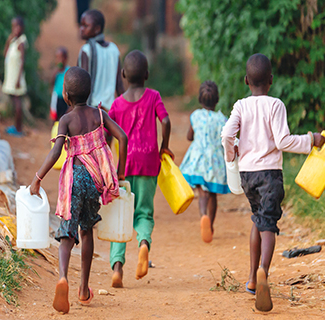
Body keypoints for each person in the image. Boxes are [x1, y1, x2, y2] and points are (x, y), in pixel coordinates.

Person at [221, 53, 325, 312]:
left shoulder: (240, 106)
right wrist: (311, 139)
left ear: (246, 80)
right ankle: (263, 273)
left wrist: (231, 154)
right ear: (271, 80)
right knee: (268, 224)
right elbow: (283, 141)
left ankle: (251, 279)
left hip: (247, 176)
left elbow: (226, 134)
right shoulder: (276, 105)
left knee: (258, 219)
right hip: (270, 175)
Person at [30, 67, 127, 314]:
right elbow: (123, 138)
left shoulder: (66, 119)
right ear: (90, 91)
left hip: (74, 181)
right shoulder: (99, 115)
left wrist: (37, 178)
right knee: (86, 232)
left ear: (66, 96)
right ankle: (83, 288)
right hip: (95, 181)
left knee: (66, 232)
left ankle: (63, 277)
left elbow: (56, 152)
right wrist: (121, 172)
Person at [108, 50, 173, 288]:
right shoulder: (154, 96)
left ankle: (117, 267)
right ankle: (144, 244)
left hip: (124, 167)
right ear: (146, 74)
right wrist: (164, 147)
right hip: (148, 163)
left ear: (123, 75)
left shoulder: (116, 105)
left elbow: (108, 136)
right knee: (143, 213)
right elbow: (165, 121)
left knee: (120, 218)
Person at [180, 81, 229, 244]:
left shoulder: (196, 116)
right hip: (215, 162)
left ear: (200, 99)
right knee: (212, 194)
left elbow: (189, 136)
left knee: (202, 193)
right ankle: (211, 225)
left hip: (198, 160)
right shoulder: (222, 119)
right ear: (217, 100)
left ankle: (203, 216)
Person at [78, 9, 124, 111]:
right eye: (81, 25)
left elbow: (81, 83)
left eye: (85, 26)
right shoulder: (114, 49)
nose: (81, 29)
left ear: (97, 29)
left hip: (91, 109)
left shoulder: (86, 50)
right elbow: (119, 85)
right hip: (109, 111)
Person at [3, 16, 28, 136]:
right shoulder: (13, 40)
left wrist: (18, 79)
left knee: (18, 102)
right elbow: (5, 54)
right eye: (13, 26)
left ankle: (19, 129)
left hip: (17, 78)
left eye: (18, 26)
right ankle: (16, 126)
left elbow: (22, 61)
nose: (16, 29)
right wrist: (8, 40)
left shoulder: (21, 42)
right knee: (14, 102)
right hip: (11, 76)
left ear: (22, 27)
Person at [50, 47, 70, 121]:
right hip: (56, 97)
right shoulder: (56, 71)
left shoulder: (68, 71)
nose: (58, 60)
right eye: (57, 58)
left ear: (65, 58)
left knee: (64, 116)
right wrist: (56, 71)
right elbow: (51, 82)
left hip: (65, 98)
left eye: (60, 58)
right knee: (55, 116)